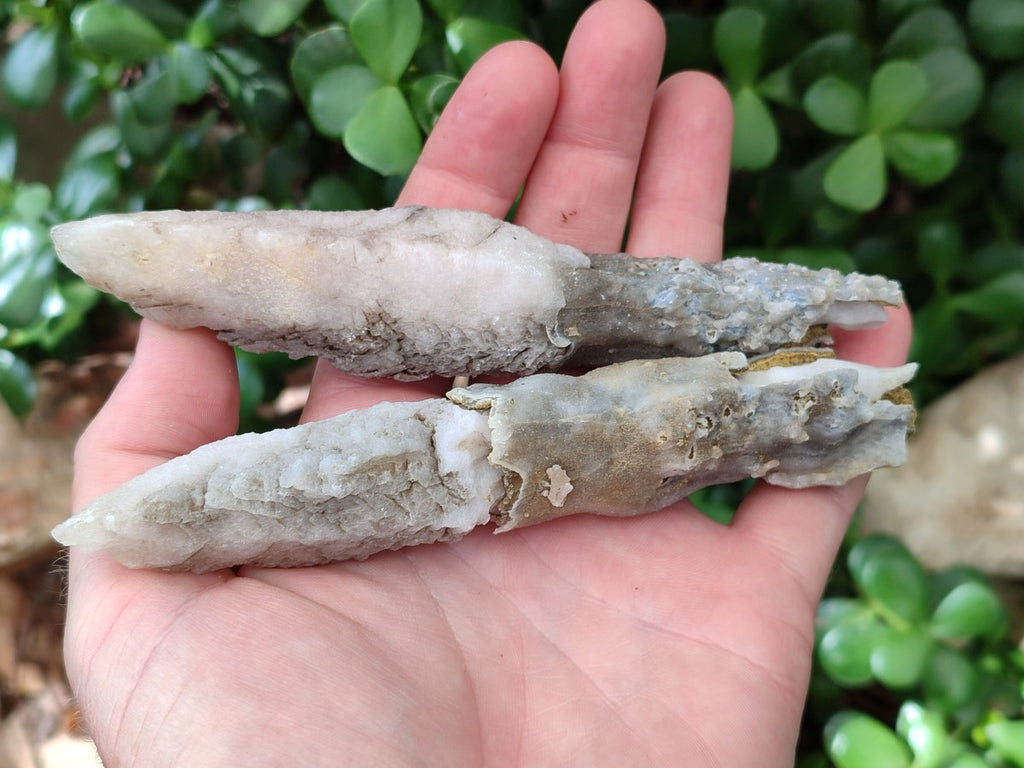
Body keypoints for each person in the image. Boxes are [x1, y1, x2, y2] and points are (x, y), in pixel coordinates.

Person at [64, 0, 912, 764]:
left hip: (542, 362)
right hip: (519, 370)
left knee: (493, 414)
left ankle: (838, 374)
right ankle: (835, 373)